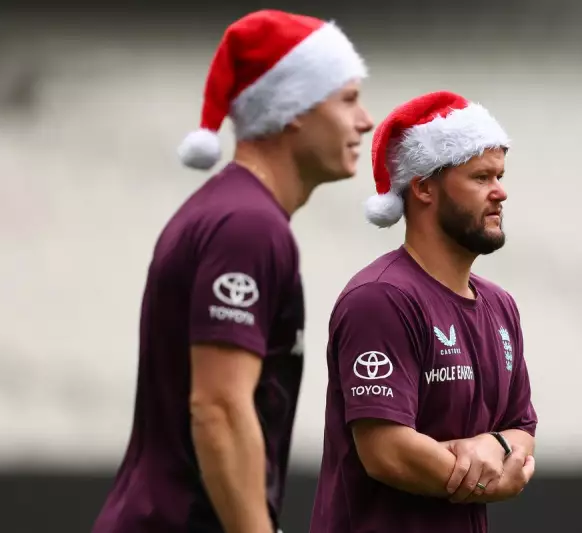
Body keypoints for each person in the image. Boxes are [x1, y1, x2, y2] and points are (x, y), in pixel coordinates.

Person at [92, 10, 373, 533]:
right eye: (349, 99)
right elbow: (219, 407)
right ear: (293, 109)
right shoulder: (248, 226)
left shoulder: (235, 213)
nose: (366, 121)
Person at [309, 91, 538, 533]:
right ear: (423, 187)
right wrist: (493, 474)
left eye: (500, 176)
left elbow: (522, 430)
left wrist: (493, 445)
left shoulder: (501, 306)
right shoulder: (381, 299)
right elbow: (387, 452)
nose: (500, 192)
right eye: (480, 177)